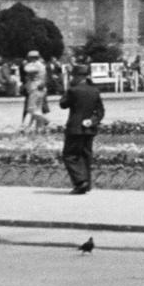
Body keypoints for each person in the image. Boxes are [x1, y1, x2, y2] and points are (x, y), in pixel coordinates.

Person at [58, 64, 105, 194]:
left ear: (77, 76)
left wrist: (67, 89)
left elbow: (63, 104)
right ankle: (87, 183)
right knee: (85, 155)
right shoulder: (95, 90)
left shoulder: (73, 90)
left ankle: (80, 182)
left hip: (75, 127)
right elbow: (100, 111)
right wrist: (92, 121)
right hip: (89, 128)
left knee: (70, 155)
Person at [20, 50, 49, 132]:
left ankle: (45, 120)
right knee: (38, 109)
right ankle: (39, 128)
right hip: (39, 89)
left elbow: (26, 69)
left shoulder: (36, 65)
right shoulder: (41, 65)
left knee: (31, 109)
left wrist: (25, 64)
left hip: (35, 88)